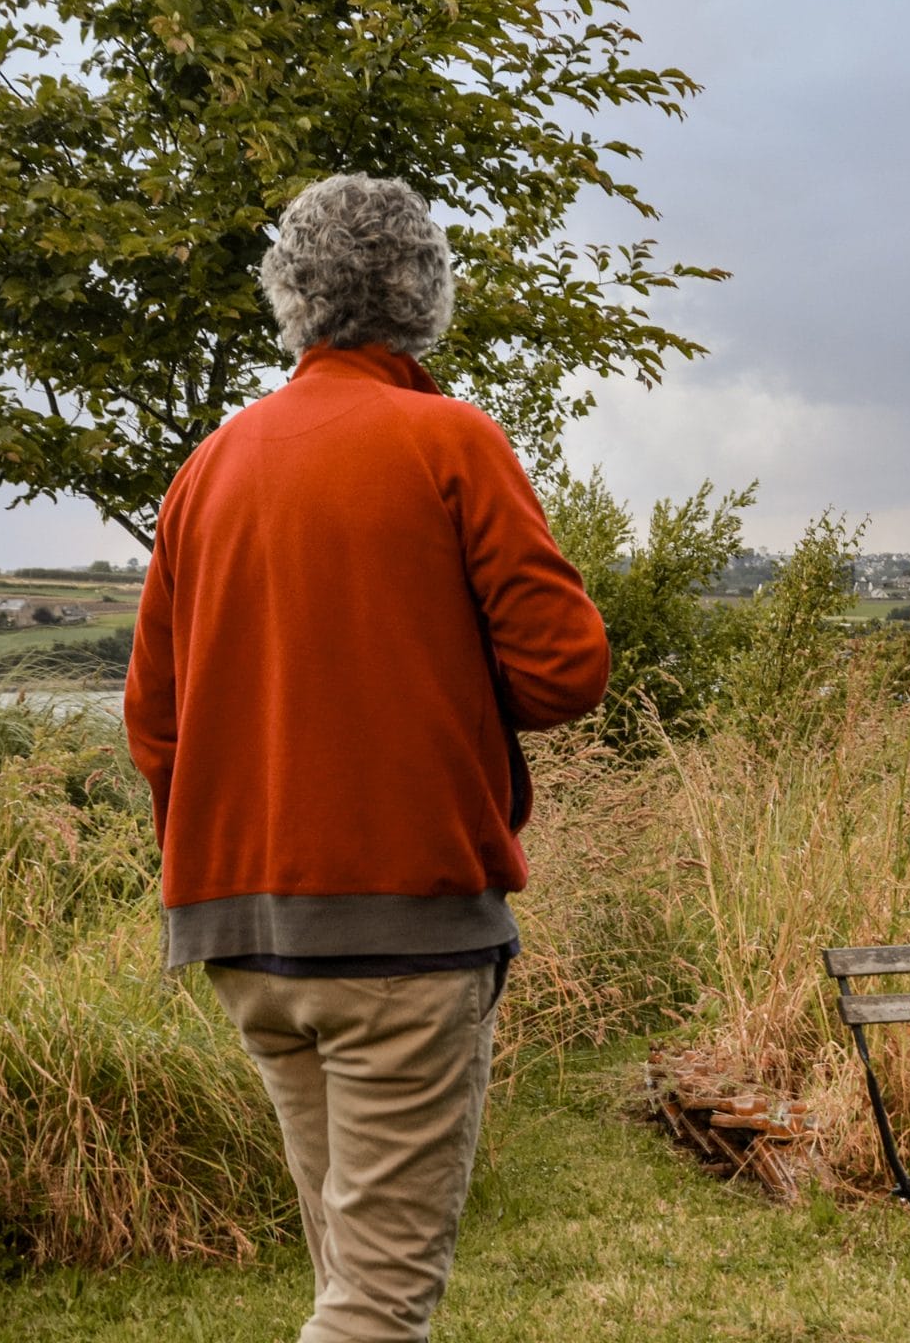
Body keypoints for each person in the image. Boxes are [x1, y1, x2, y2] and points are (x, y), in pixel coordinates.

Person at [125, 172, 610, 1343]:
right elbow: (566, 670)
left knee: (347, 1274)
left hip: (243, 930)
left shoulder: (211, 465)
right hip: (403, 929)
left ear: (290, 295)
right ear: (425, 295)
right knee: (377, 1308)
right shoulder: (448, 439)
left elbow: (154, 722)